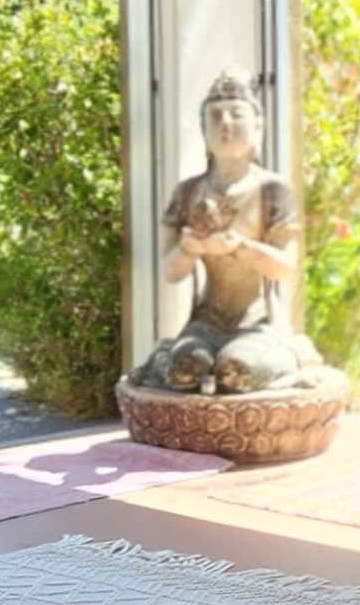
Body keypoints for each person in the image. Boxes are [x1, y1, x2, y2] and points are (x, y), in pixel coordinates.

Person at [133, 72, 322, 395]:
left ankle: (291, 357)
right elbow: (171, 272)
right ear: (203, 131)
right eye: (215, 116)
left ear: (258, 127)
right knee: (186, 369)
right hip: (205, 321)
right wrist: (189, 250)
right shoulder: (187, 193)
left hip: (256, 322)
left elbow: (285, 267)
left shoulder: (273, 191)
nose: (225, 123)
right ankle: (172, 357)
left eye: (237, 114)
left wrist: (242, 247)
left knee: (235, 371)